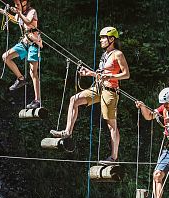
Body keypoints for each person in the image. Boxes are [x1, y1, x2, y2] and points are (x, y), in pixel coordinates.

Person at [50, 26, 129, 164]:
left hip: (110, 91)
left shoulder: (118, 54)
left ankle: (114, 157)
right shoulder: (105, 55)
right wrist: (89, 73)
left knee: (111, 125)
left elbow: (126, 74)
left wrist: (110, 75)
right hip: (98, 88)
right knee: (74, 100)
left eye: (103, 38)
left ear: (112, 39)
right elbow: (100, 74)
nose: (101, 40)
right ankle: (67, 132)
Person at [2, 0, 43, 109]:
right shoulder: (20, 13)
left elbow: (29, 22)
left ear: (24, 5)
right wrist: (4, 13)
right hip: (25, 42)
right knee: (6, 57)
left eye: (18, 5)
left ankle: (37, 100)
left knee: (33, 72)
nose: (16, 6)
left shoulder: (32, 12)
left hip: (34, 43)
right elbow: (15, 20)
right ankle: (20, 79)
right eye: (15, 5)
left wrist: (19, 13)